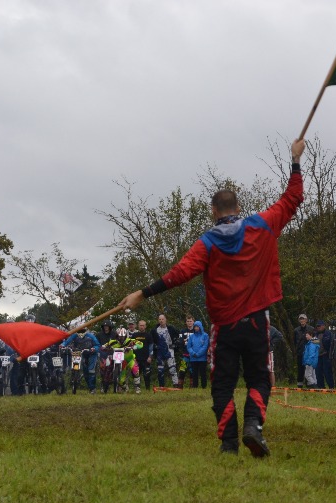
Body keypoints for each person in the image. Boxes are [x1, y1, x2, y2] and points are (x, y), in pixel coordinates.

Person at [119, 138, 306, 457]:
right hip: (258, 322)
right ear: (238, 207)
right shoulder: (261, 224)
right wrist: (295, 161)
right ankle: (253, 426)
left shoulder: (207, 243)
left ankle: (229, 442)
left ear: (213, 211)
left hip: (226, 328)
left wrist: (142, 293)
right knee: (260, 378)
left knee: (221, 385)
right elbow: (293, 198)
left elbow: (179, 274)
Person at [102, 327, 143, 393]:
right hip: (120, 361)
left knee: (136, 370)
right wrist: (104, 347)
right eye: (120, 336)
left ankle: (137, 387)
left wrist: (134, 347)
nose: (121, 338)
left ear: (126, 336)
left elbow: (141, 344)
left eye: (123, 337)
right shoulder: (113, 342)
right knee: (121, 381)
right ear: (117, 336)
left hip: (130, 360)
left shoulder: (130, 341)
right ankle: (124, 387)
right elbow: (105, 345)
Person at [62, 327, 100, 393]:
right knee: (85, 372)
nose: (80, 333)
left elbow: (97, 345)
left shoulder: (91, 336)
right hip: (80, 353)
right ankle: (75, 377)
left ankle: (92, 388)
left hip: (91, 354)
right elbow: (67, 341)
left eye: (82, 331)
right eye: (79, 331)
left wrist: (94, 348)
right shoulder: (74, 336)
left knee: (91, 370)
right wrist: (63, 345)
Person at [151, 314, 180, 388]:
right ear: (158, 320)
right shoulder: (155, 330)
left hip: (169, 350)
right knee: (160, 370)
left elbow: (178, 337)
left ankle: (176, 384)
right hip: (160, 352)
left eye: (162, 319)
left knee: (172, 368)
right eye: (160, 319)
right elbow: (151, 341)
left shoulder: (171, 328)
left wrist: (175, 344)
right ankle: (161, 386)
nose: (161, 321)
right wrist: (154, 347)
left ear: (165, 320)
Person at [186, 320, 209, 389]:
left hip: (202, 359)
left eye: (197, 326)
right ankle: (195, 386)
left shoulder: (205, 335)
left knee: (203, 373)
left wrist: (198, 354)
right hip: (193, 358)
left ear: (200, 327)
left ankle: (204, 386)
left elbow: (205, 346)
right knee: (194, 374)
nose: (196, 328)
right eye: (195, 327)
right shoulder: (191, 336)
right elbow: (189, 346)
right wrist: (193, 353)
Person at [131, 320, 153, 390]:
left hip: (146, 359)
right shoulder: (134, 335)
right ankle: (137, 389)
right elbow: (131, 347)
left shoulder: (148, 335)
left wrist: (150, 357)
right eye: (140, 325)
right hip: (136, 359)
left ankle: (147, 389)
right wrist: (133, 358)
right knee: (136, 375)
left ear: (145, 326)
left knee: (147, 375)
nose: (142, 327)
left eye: (143, 325)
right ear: (138, 326)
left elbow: (151, 347)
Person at [293, 314, 314, 388]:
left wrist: (311, 338)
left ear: (306, 320)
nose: (302, 320)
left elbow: (316, 341)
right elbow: (294, 341)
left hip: (309, 353)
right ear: (299, 320)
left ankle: (309, 384)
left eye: (303, 319)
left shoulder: (311, 329)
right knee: (300, 369)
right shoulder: (296, 330)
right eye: (300, 319)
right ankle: (300, 384)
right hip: (300, 352)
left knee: (308, 369)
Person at [313, 320, 334, 389]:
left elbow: (332, 345)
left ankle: (331, 387)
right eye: (317, 326)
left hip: (326, 355)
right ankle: (321, 387)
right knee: (318, 372)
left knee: (327, 372)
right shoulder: (315, 334)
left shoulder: (329, 333)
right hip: (318, 356)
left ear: (324, 326)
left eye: (320, 326)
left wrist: (331, 355)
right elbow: (314, 343)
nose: (318, 327)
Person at [179, 315, 197, 388]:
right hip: (185, 355)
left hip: (193, 356)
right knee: (182, 370)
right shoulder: (182, 331)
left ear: (193, 322)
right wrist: (184, 341)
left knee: (192, 371)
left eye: (190, 321)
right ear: (186, 322)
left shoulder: (196, 331)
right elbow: (180, 342)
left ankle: (192, 386)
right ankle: (180, 386)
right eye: (188, 321)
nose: (189, 323)